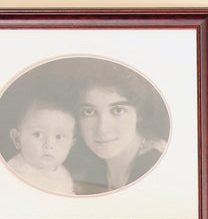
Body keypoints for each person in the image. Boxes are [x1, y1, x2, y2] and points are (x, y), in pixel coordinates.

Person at [67, 59, 169, 194]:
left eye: (118, 110)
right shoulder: (84, 168)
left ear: (139, 113)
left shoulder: (158, 165)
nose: (102, 128)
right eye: (89, 112)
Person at [7, 98, 77, 194]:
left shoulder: (64, 176)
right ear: (17, 139)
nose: (49, 145)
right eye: (38, 134)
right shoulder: (11, 172)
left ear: (71, 145)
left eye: (58, 137)